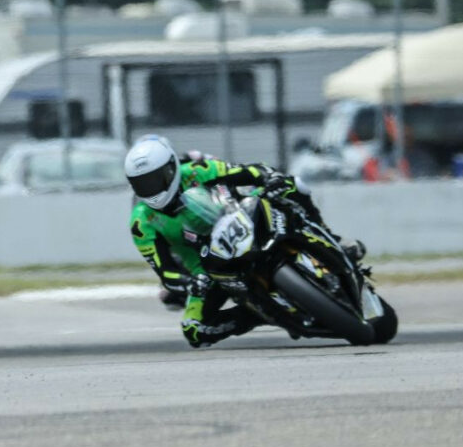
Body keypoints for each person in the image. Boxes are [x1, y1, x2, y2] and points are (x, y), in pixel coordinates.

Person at [125, 134, 364, 349]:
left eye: (155, 180)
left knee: (294, 185)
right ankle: (261, 314)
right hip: (209, 268)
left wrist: (269, 177)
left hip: (240, 215)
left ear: (171, 168)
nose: (150, 189)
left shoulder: (198, 168)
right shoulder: (141, 222)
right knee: (194, 330)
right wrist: (190, 283)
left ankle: (333, 240)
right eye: (142, 184)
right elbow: (165, 272)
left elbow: (247, 171)